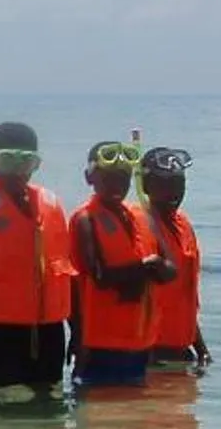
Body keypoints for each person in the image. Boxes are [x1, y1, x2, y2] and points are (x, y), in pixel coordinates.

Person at [0, 120, 72, 399]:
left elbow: (66, 273)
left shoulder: (51, 206)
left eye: (25, 162)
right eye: (7, 161)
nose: (17, 171)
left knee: (49, 416)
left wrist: (76, 333)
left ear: (37, 165)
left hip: (49, 335)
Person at [69, 138, 177, 392]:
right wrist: (146, 267)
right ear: (89, 178)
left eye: (122, 178)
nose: (116, 185)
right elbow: (100, 275)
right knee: (99, 421)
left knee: (130, 421)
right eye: (107, 177)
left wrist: (155, 266)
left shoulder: (143, 217)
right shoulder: (86, 219)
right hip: (100, 344)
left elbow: (171, 269)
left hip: (140, 341)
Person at [136, 146, 208, 369]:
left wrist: (202, 350)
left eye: (179, 185)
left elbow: (183, 297)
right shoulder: (138, 225)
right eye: (165, 186)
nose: (174, 194)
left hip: (182, 351)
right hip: (149, 353)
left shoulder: (183, 225)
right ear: (147, 186)